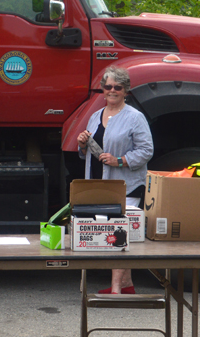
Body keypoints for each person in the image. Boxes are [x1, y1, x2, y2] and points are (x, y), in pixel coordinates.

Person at [77, 65, 154, 294]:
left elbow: (146, 150)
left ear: (126, 91)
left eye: (117, 87)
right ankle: (127, 284)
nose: (112, 90)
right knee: (112, 233)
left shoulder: (135, 117)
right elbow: (88, 153)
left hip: (125, 185)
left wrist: (119, 161)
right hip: (99, 183)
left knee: (117, 233)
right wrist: (82, 144)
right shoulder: (94, 116)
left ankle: (117, 289)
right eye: (108, 86)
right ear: (102, 89)